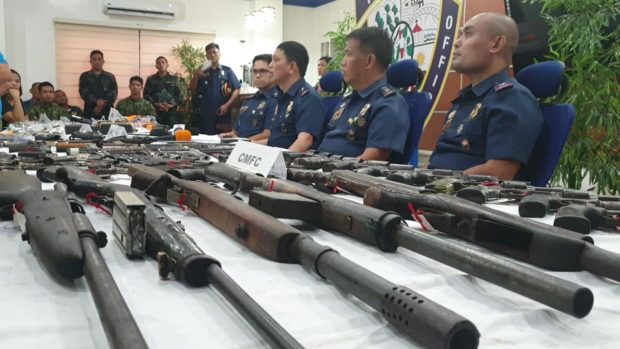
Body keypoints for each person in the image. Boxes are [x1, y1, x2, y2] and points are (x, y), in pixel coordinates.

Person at [427, 13, 544, 180]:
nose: (456, 42)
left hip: (463, 200)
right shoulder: (464, 100)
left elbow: (498, 173)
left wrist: (431, 184)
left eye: (468, 34)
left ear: (496, 44)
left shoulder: (512, 98)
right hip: (433, 194)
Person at [318, 27, 409, 161]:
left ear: (369, 61)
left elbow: (371, 160)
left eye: (348, 54)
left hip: (344, 177)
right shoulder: (346, 101)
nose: (342, 62)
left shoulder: (389, 103)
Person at [264, 41, 325, 152]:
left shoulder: (308, 97)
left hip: (292, 164)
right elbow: (275, 140)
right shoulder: (283, 97)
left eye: (276, 60)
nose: (270, 65)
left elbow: (305, 141)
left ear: (291, 67)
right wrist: (246, 145)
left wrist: (277, 163)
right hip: (276, 156)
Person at [219, 54, 278, 141]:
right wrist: (227, 136)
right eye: (254, 71)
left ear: (274, 73)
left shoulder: (277, 100)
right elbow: (236, 132)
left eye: (263, 71)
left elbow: (268, 134)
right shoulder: (248, 101)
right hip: (240, 147)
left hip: (259, 150)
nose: (257, 75)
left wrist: (241, 142)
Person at [189, 43, 240, 135]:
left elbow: (237, 89)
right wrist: (195, 75)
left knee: (223, 139)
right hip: (205, 114)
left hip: (222, 112)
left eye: (215, 52)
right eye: (209, 53)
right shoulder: (201, 70)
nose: (212, 55)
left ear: (219, 54)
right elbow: (192, 89)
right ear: (206, 55)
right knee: (205, 139)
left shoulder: (227, 71)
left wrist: (227, 105)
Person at [144, 56, 184, 126]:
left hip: (171, 113)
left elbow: (180, 95)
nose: (161, 64)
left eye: (163, 62)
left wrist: (172, 105)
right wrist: (156, 104)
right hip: (155, 112)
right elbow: (146, 95)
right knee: (156, 133)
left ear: (167, 65)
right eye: (158, 63)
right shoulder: (151, 79)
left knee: (172, 133)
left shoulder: (174, 79)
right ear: (156, 66)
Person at [79, 50, 118, 119]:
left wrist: (101, 105)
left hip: (107, 111)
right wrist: (96, 102)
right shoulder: (85, 76)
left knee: (108, 129)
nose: (97, 61)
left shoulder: (110, 76)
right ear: (90, 61)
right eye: (94, 59)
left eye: (99, 59)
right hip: (90, 110)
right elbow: (83, 93)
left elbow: (113, 93)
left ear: (103, 61)